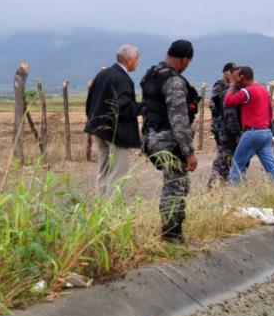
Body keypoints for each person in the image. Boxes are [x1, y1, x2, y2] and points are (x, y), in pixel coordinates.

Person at [141, 40, 200, 243]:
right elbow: (179, 120)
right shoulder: (174, 81)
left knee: (173, 184)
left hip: (152, 138)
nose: (187, 66)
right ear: (183, 59)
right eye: (188, 62)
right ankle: (172, 234)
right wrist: (189, 152)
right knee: (176, 187)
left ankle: (171, 232)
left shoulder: (151, 74)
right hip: (170, 141)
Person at [84, 44, 141, 198]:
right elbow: (124, 107)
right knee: (117, 175)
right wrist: (144, 107)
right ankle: (112, 210)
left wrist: (95, 124)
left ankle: (100, 207)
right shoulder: (122, 79)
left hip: (101, 131)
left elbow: (90, 102)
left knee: (103, 172)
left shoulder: (102, 74)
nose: (137, 63)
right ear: (129, 60)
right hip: (118, 134)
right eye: (137, 60)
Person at [223, 66, 274, 186]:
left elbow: (228, 101)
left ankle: (232, 193)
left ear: (242, 77)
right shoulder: (264, 91)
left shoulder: (246, 91)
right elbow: (270, 113)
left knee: (236, 167)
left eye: (237, 77)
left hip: (252, 133)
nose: (236, 79)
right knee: (273, 168)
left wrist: (233, 84)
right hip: (266, 133)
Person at [208, 62, 238, 187]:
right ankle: (214, 181)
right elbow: (212, 104)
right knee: (223, 154)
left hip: (227, 125)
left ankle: (224, 180)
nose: (233, 75)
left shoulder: (232, 87)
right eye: (231, 72)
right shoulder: (219, 86)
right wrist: (223, 110)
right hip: (219, 125)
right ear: (225, 73)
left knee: (228, 155)